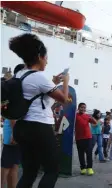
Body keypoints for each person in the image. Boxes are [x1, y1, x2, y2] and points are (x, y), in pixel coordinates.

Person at [10, 33, 69, 188]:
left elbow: (37, 92)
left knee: (29, 172)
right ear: (39, 56)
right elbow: (63, 98)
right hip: (39, 127)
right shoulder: (39, 77)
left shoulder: (20, 74)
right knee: (52, 170)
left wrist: (53, 82)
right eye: (46, 57)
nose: (47, 61)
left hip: (22, 127)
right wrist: (66, 82)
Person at [1, 64, 25, 188]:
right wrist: (14, 134)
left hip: (16, 131)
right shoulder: (14, 89)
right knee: (6, 166)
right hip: (12, 131)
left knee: (14, 165)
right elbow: (12, 115)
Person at [75, 103, 97, 175]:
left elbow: (95, 122)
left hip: (88, 138)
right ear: (78, 108)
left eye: (84, 108)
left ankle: (89, 168)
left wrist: (91, 117)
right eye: (81, 107)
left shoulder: (87, 116)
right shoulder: (75, 116)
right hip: (79, 138)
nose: (83, 109)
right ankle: (83, 168)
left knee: (89, 153)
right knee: (80, 154)